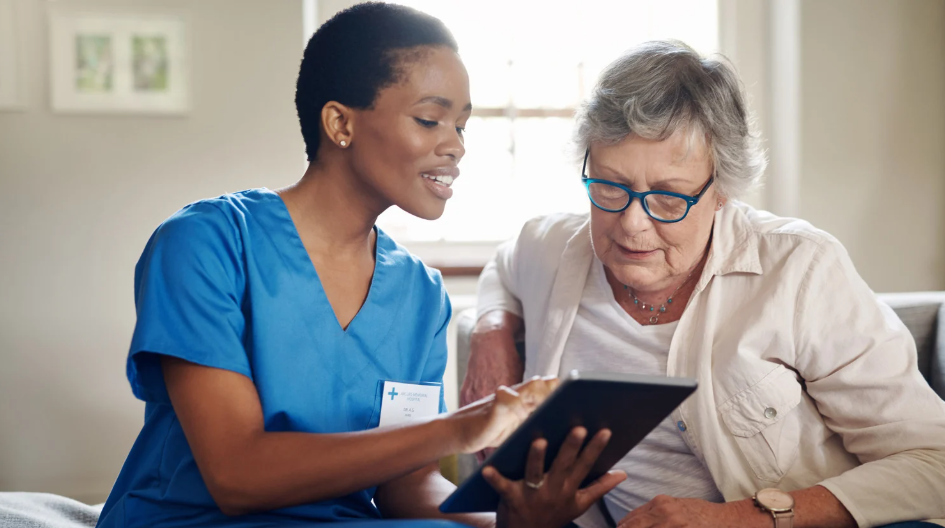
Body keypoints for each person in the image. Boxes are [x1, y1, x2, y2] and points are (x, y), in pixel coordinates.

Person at [96, 3, 625, 527]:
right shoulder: (204, 245)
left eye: (462, 126)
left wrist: (506, 524)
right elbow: (236, 476)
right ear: (340, 122)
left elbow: (407, 486)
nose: (456, 146)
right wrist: (460, 428)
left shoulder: (419, 294)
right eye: (429, 119)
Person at [462, 40, 945, 528]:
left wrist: (740, 519)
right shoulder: (551, 247)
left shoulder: (800, 269)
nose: (631, 223)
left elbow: (935, 462)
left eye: (669, 198)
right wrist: (492, 331)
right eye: (610, 186)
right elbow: (504, 267)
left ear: (723, 191)